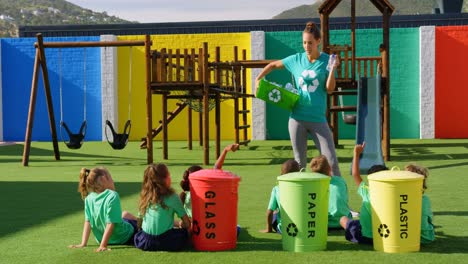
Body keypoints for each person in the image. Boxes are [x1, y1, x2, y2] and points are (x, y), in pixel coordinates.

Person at [254, 21, 341, 175]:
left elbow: (329, 89)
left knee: (331, 162)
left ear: (318, 41)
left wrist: (332, 69)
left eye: (310, 43)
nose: (307, 46)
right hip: (297, 119)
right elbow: (273, 65)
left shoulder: (328, 60)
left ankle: (339, 196)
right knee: (299, 163)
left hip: (318, 119)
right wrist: (258, 79)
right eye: (304, 43)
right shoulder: (296, 59)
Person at [69, 167, 137, 252]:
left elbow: (88, 221)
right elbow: (110, 223)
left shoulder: (89, 198)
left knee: (125, 214)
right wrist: (103, 245)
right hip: (125, 236)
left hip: (101, 238)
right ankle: (142, 221)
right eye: (111, 177)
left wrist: (83, 243)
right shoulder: (112, 195)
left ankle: (136, 219)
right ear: (104, 178)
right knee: (135, 221)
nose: (113, 180)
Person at [134, 163, 191, 251]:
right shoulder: (173, 197)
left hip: (145, 242)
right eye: (169, 175)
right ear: (164, 179)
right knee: (185, 233)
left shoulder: (145, 195)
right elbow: (187, 224)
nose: (170, 177)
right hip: (166, 242)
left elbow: (139, 223)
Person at [339, 143, 388, 244]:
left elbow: (355, 174)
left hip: (365, 237)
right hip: (386, 236)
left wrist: (356, 154)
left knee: (343, 219)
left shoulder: (367, 191)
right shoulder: (391, 194)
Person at [180, 143, 240, 217]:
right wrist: (225, 150)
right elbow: (216, 168)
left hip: (191, 225)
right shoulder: (201, 193)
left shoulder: (185, 194)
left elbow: (216, 168)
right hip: (204, 226)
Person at [309, 155, 352, 229]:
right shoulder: (340, 180)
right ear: (329, 168)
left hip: (325, 223)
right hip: (344, 221)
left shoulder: (313, 186)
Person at [260, 159, 301, 234]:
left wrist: (268, 229)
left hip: (283, 229)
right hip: (303, 227)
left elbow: (269, 211)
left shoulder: (276, 189)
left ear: (281, 174)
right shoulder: (303, 187)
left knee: (275, 211)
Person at [405, 164, 436, 244]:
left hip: (411, 238)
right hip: (425, 237)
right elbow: (429, 219)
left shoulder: (401, 198)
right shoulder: (424, 199)